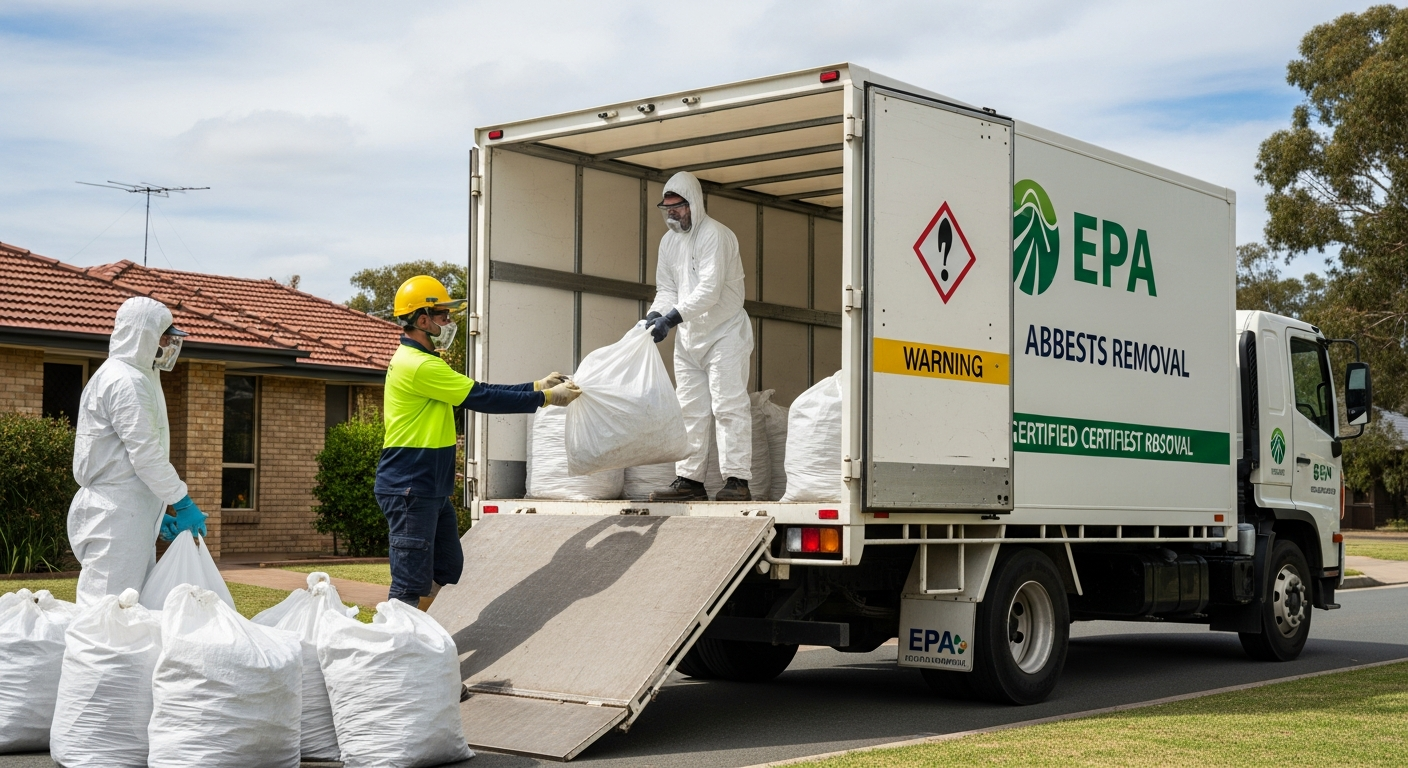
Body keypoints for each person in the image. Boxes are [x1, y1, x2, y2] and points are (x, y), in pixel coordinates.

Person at [377, 275, 581, 610]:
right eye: (443, 315)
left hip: (428, 486)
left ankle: (418, 635)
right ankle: (398, 653)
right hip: (409, 487)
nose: (449, 322)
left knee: (446, 566)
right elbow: (482, 398)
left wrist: (536, 386)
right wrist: (545, 398)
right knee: (409, 582)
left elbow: (481, 390)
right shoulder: (418, 366)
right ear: (422, 320)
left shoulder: (426, 363)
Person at [68, 296, 208, 607]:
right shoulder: (125, 381)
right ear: (142, 335)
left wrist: (156, 518)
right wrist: (181, 502)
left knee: (127, 612)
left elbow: (128, 460)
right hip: (115, 518)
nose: (166, 344)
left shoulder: (135, 377)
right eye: (162, 336)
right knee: (105, 611)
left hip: (127, 516)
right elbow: (145, 455)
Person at [645, 171, 754, 503]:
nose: (672, 215)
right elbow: (667, 289)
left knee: (728, 405)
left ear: (693, 204)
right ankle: (690, 480)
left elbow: (709, 291)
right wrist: (655, 313)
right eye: (667, 210)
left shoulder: (716, 236)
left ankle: (737, 480)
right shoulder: (669, 243)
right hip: (690, 337)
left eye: (677, 208)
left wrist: (671, 318)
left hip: (725, 333)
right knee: (689, 409)